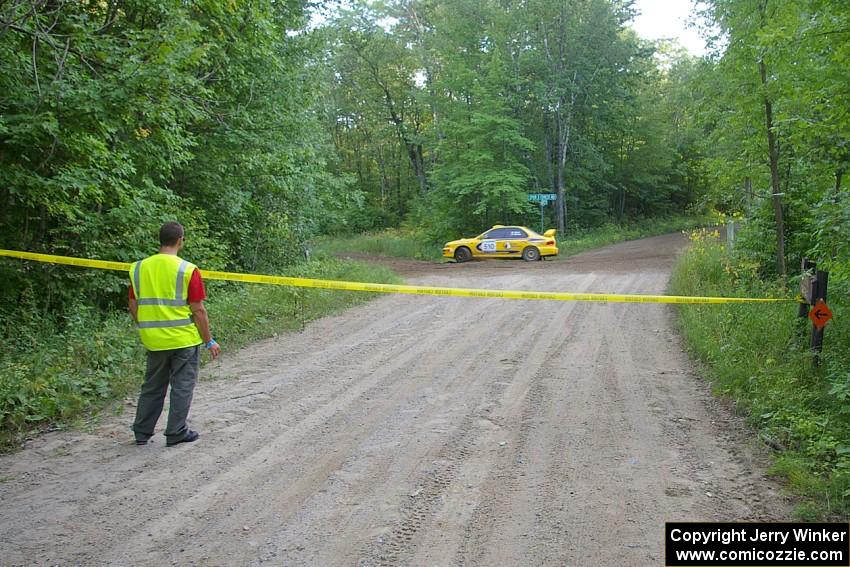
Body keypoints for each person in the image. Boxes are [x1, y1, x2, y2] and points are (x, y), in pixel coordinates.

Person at [128, 221, 221, 447]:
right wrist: (209, 341)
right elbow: (198, 310)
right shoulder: (187, 270)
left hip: (153, 339)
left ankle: (142, 431)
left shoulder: (139, 267)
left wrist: (147, 325)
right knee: (182, 385)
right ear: (180, 240)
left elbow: (132, 302)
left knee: (152, 386)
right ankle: (176, 431)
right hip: (183, 339)